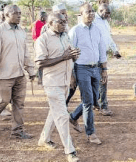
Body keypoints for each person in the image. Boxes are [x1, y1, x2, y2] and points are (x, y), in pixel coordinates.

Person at [35, 13, 81, 162]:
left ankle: (44, 138)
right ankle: (70, 151)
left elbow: (69, 57)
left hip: (65, 81)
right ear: (50, 23)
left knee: (54, 112)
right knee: (62, 115)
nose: (63, 24)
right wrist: (64, 57)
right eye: (60, 22)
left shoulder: (65, 37)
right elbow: (40, 63)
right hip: (52, 82)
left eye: (65, 22)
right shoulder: (43, 40)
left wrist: (74, 56)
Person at [0, 5, 35, 139]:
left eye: (20, 13)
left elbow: (25, 53)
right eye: (15, 13)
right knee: (2, 101)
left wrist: (30, 69)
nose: (19, 15)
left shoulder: (21, 31)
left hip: (19, 75)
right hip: (3, 76)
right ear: (6, 15)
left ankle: (17, 131)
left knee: (19, 104)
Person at [68, 3, 108, 145]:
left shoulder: (97, 30)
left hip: (95, 68)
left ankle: (73, 117)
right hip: (81, 68)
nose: (90, 14)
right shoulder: (75, 31)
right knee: (88, 101)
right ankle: (91, 133)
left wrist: (104, 69)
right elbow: (70, 53)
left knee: (95, 97)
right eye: (87, 12)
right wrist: (72, 74)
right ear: (81, 14)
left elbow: (101, 49)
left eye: (92, 11)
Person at [92, 3, 121, 116]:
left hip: (103, 56)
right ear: (100, 10)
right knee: (102, 81)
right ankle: (103, 106)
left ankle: (98, 104)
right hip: (94, 56)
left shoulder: (105, 22)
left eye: (109, 13)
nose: (108, 15)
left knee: (101, 80)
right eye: (107, 12)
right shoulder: (93, 20)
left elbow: (108, 38)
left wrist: (115, 50)